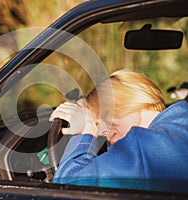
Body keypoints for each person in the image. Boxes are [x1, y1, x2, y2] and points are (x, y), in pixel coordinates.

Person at [49, 70, 188, 191]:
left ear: (130, 101)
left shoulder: (142, 147)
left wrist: (87, 129)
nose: (103, 133)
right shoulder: (181, 120)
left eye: (103, 118)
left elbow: (68, 187)